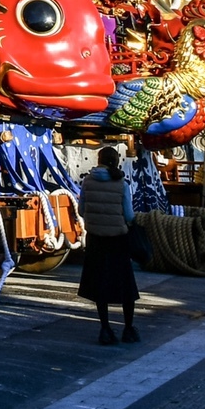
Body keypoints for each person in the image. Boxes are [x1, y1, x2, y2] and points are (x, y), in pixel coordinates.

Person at [77, 145, 141, 345]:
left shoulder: (87, 181)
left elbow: (81, 210)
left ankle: (105, 329)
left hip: (96, 239)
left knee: (100, 285)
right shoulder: (121, 183)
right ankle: (128, 329)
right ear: (116, 160)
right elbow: (129, 215)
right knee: (125, 286)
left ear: (99, 160)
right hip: (117, 240)